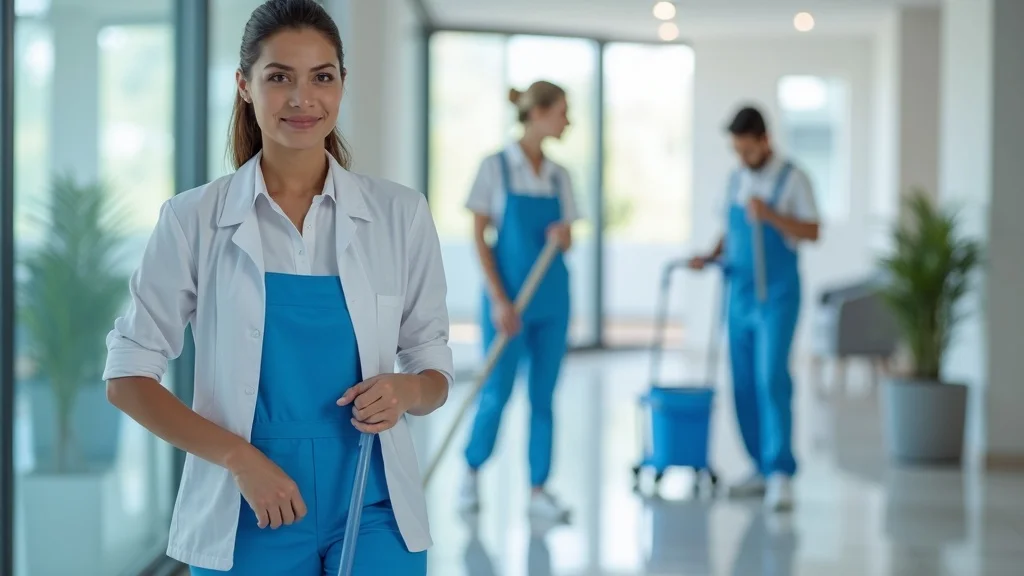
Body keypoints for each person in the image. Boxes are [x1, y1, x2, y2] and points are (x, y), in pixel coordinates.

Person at [102, 1, 453, 574]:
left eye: (322, 77)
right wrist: (240, 460)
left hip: (372, 501)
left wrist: (408, 392)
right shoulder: (192, 219)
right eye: (278, 77)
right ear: (245, 85)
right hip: (247, 510)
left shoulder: (400, 215)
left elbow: (433, 367)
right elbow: (127, 379)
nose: (301, 99)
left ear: (341, 84)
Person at [689, 106, 820, 511]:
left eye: (747, 150)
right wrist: (709, 256)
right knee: (743, 383)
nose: (742, 158)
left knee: (770, 378)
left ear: (765, 140)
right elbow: (729, 231)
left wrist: (772, 216)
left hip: (777, 296)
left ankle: (781, 471)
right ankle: (760, 468)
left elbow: (812, 231)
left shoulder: (793, 178)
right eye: (737, 151)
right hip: (739, 296)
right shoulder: (734, 180)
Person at [458, 81, 577, 522]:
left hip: (553, 301)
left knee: (544, 398)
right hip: (506, 303)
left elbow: (567, 239)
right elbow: (479, 237)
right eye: (563, 111)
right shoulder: (496, 168)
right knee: (497, 393)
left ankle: (539, 489)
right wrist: (498, 300)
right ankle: (470, 472)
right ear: (540, 113)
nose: (568, 121)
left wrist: (565, 238)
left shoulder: (559, 175)